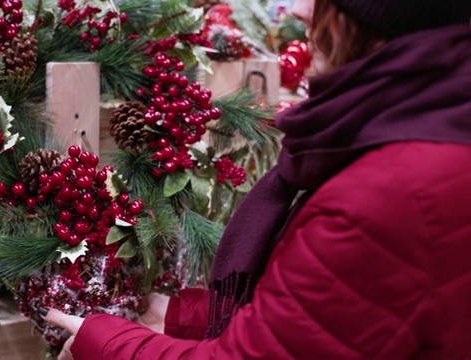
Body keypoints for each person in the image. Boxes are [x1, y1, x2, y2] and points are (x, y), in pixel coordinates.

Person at [42, 0, 471, 358]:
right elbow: (335, 320)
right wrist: (182, 318)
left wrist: (105, 342)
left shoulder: (381, 196)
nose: (300, 9)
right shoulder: (431, 133)